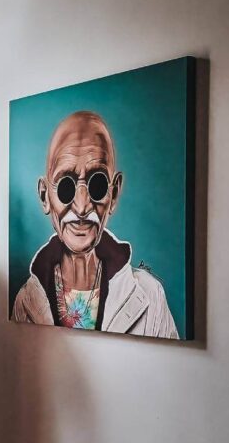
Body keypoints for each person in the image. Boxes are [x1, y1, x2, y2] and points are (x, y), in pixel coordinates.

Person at [12, 111, 178, 338]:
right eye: (66, 186)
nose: (82, 207)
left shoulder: (151, 295)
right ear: (44, 196)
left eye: (97, 184)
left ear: (114, 193)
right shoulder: (26, 299)